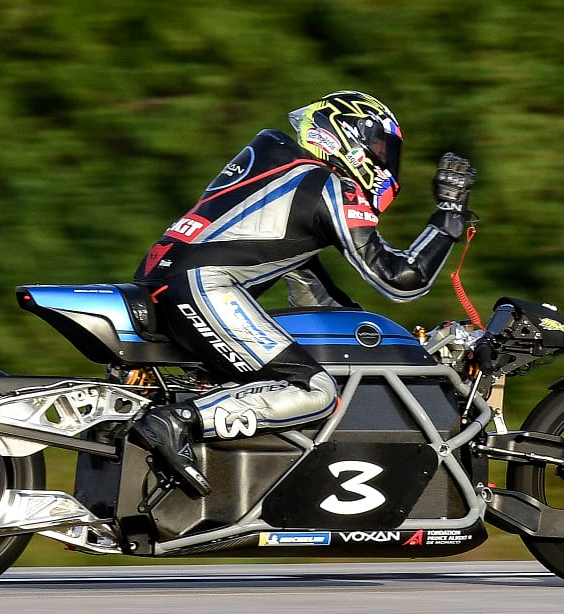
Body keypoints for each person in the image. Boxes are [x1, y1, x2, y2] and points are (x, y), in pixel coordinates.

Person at [126, 91, 476, 495]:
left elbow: (313, 291)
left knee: (266, 379)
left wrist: (371, 340)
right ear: (347, 135)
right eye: (380, 147)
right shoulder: (326, 183)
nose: (384, 160)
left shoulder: (282, 166)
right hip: (203, 286)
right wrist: (449, 216)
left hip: (169, 279)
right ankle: (178, 421)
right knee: (313, 390)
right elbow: (400, 278)